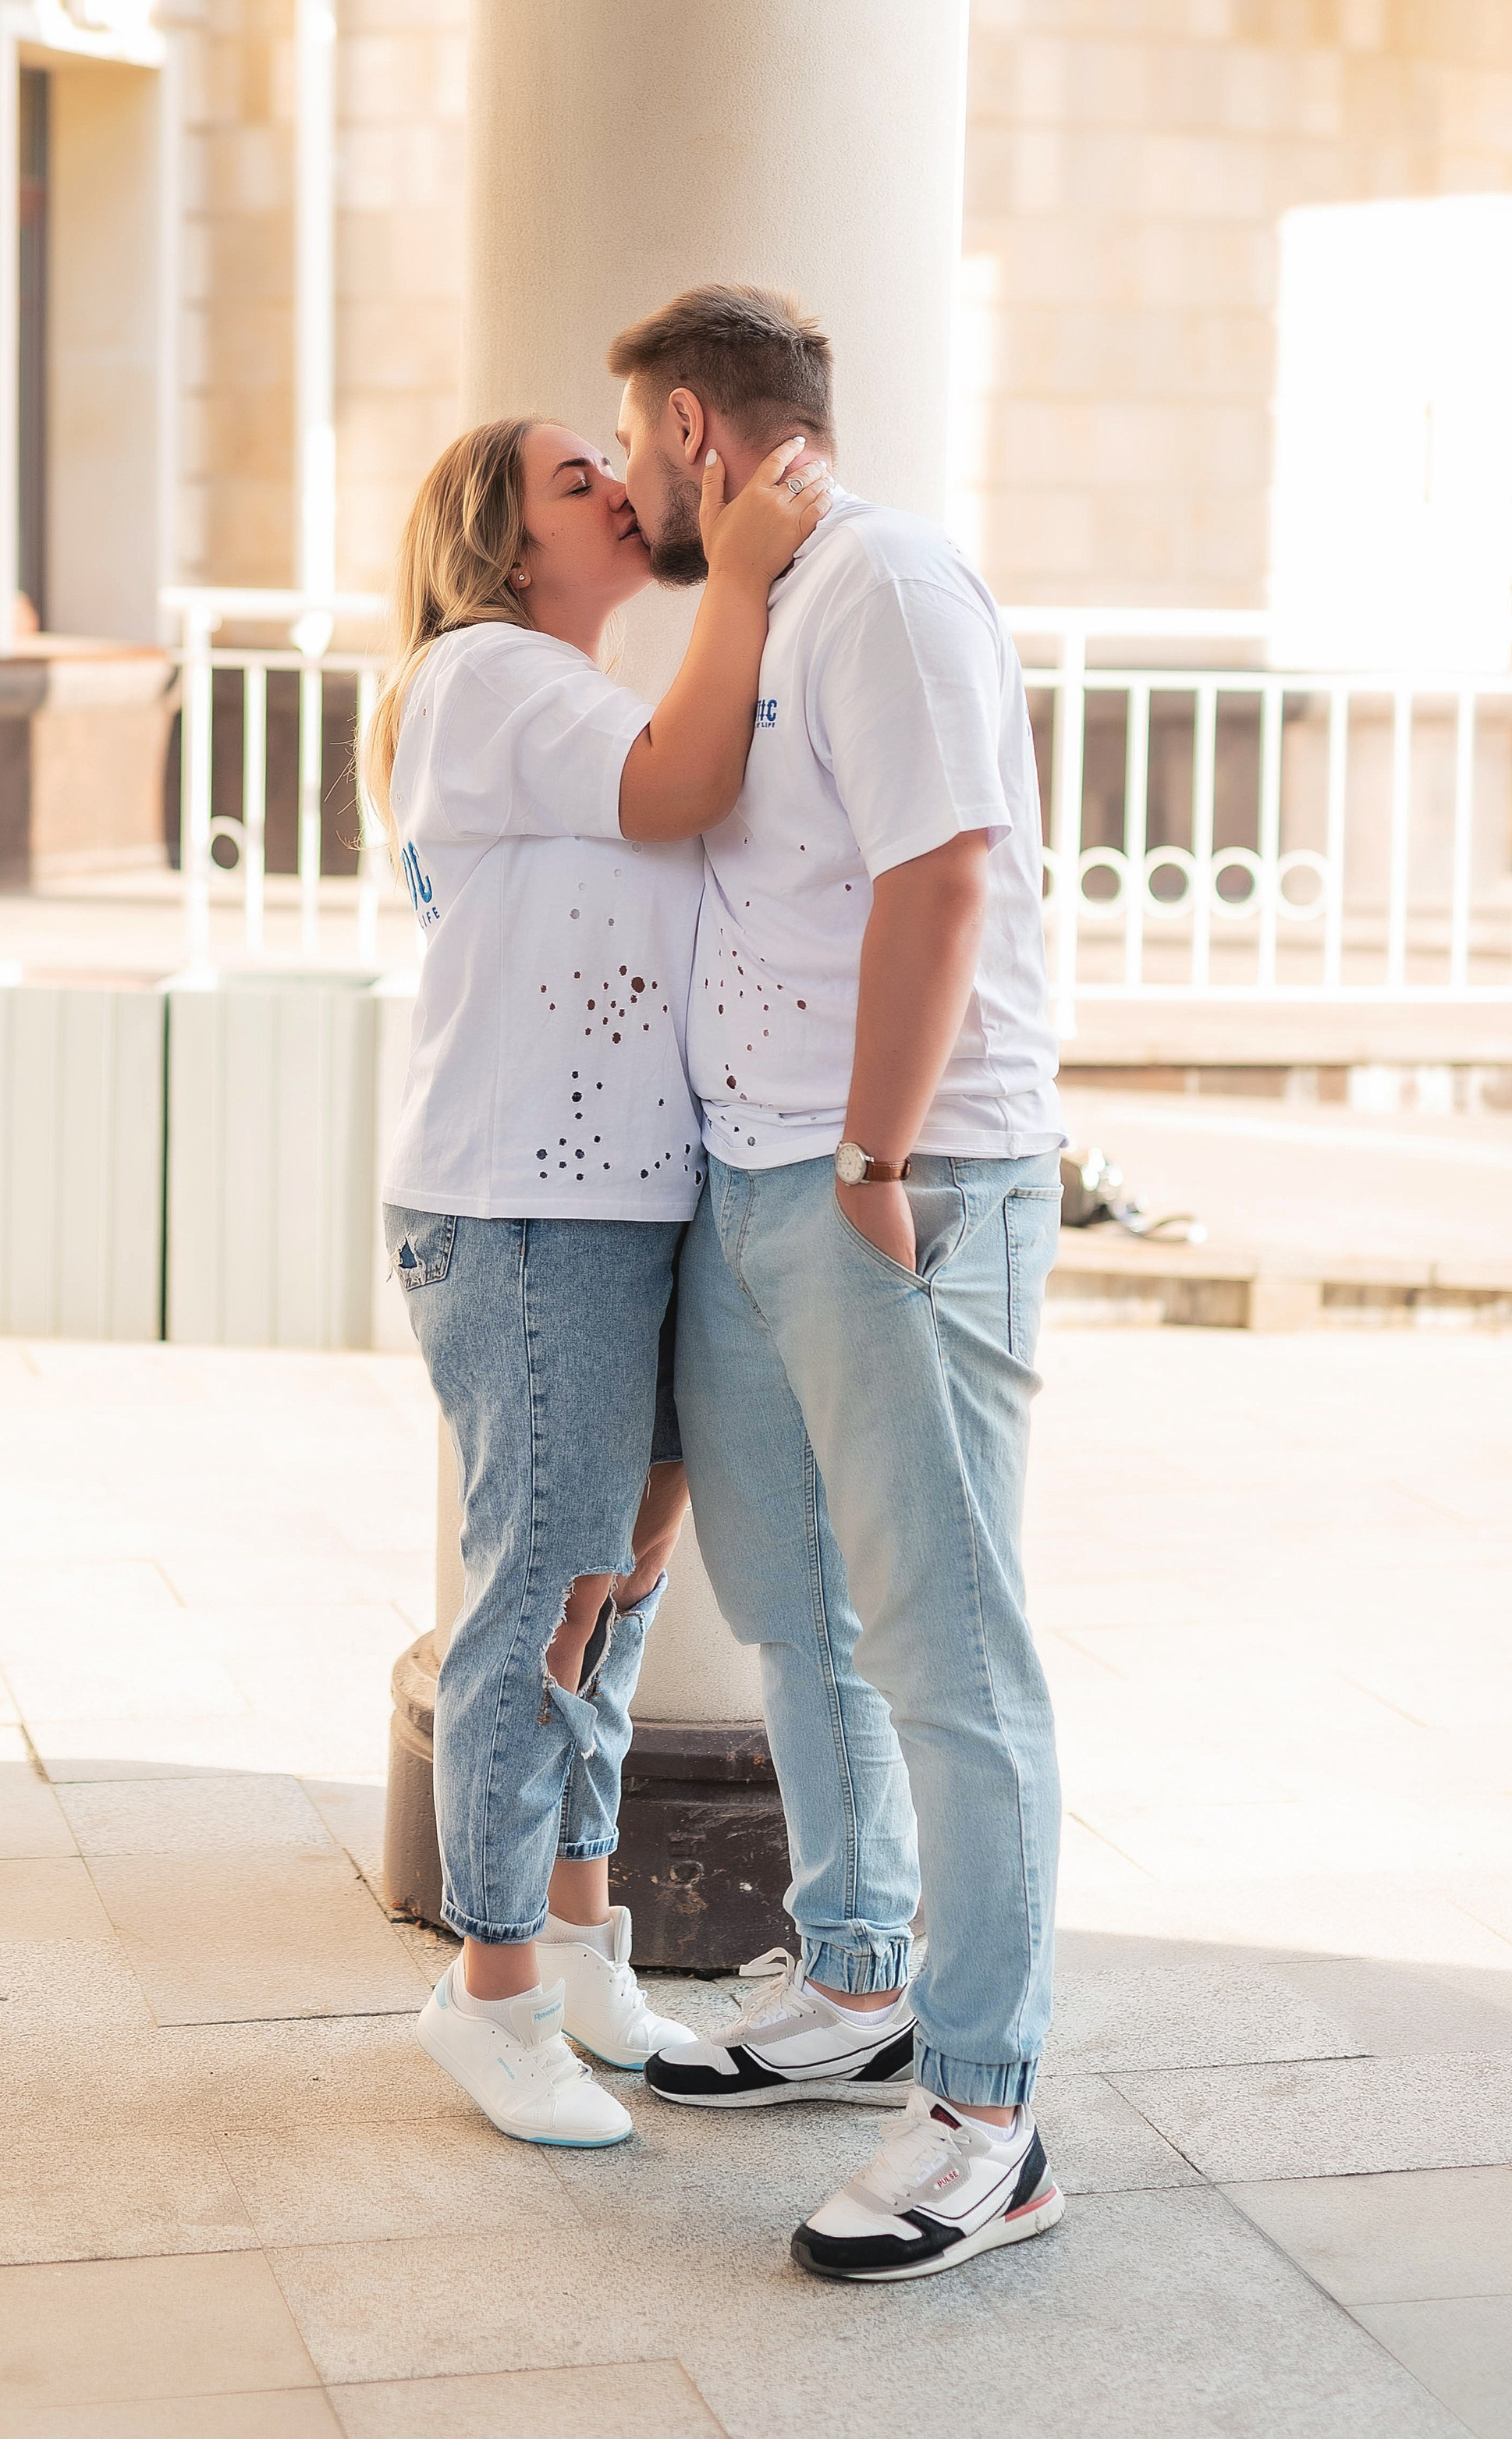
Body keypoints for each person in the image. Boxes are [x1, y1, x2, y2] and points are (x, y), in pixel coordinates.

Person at [613, 283, 1070, 2279]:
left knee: (946, 1648)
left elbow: (940, 870)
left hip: (895, 1177)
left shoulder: (882, 586)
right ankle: (862, 1971)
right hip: (756, 1178)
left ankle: (984, 2108)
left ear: (696, 433)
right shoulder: (766, 606)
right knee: (794, 1607)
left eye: (630, 440)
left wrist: (879, 1155)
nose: (622, 476)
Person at [366, 409, 822, 2146]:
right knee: (536, 1586)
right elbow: (682, 787)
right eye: (581, 479)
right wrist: (754, 570)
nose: (620, 489)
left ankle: (566, 1933)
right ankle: (485, 1989)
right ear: (500, 546)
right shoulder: (488, 673)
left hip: (620, 1200)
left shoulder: (570, 692)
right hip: (525, 1205)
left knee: (611, 1586)